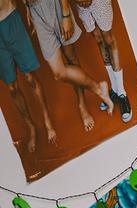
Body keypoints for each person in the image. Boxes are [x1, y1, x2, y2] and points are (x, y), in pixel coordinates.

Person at [23, 0, 112, 132]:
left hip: (54, 5)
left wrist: (65, 15)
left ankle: (82, 105)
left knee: (71, 59)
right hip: (35, 11)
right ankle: (98, 88)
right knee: (58, 73)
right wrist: (27, 8)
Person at [0, 0, 55, 153]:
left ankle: (47, 121)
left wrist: (27, 9)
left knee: (30, 77)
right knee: (12, 88)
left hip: (10, 19)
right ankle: (31, 126)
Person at [73, 0, 131, 121]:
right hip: (80, 5)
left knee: (108, 39)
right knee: (98, 39)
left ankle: (122, 93)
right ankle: (114, 89)